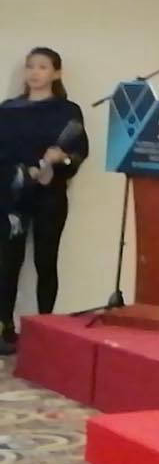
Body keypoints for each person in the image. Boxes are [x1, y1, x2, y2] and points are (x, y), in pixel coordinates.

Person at [0, 48, 88, 355]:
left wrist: (60, 161)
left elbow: (78, 152)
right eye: (30, 67)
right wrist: (21, 173)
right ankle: (5, 328)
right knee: (7, 263)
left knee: (46, 261)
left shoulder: (67, 111)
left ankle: (45, 328)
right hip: (12, 197)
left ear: (56, 73)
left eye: (42, 67)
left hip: (50, 196)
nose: (35, 73)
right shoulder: (8, 109)